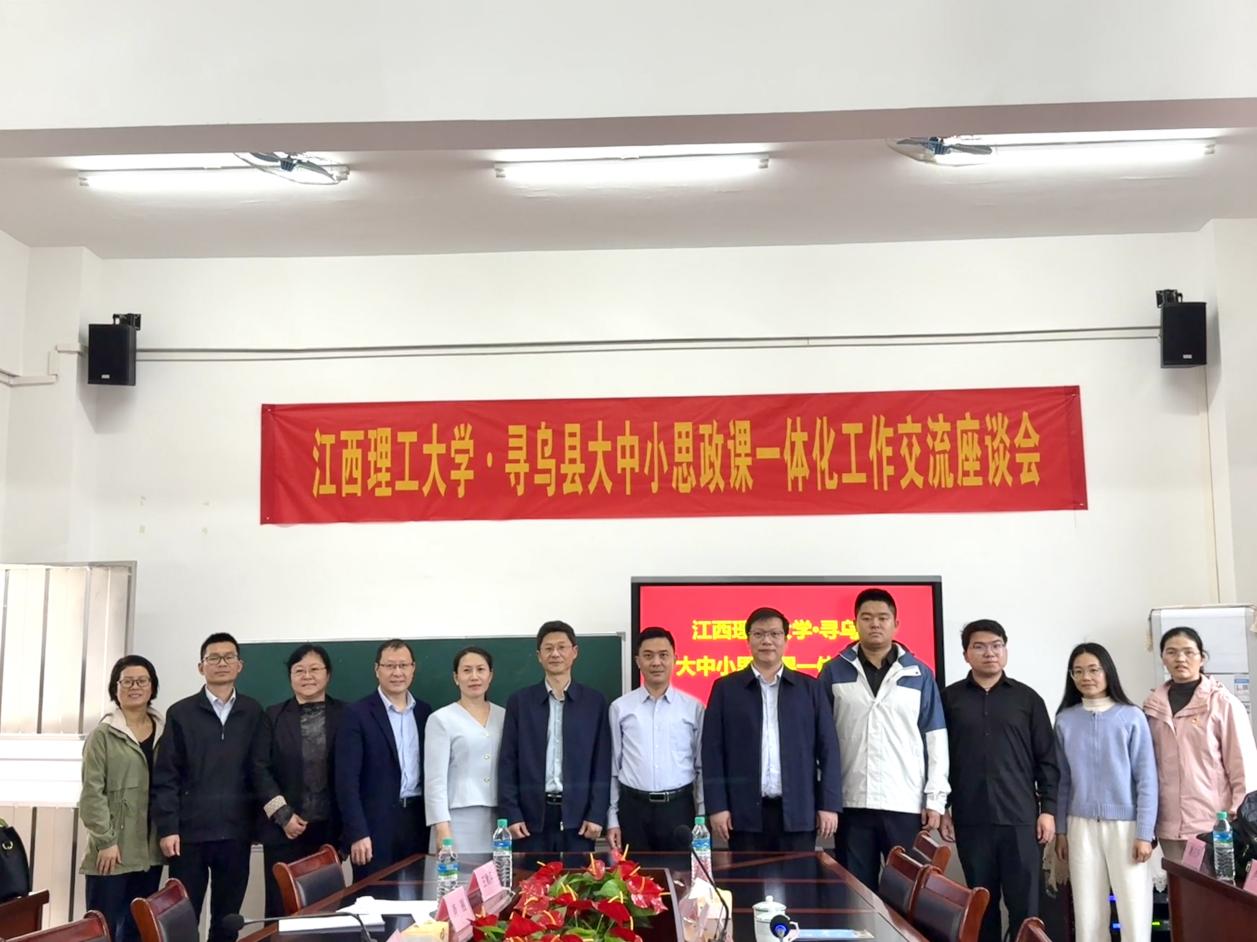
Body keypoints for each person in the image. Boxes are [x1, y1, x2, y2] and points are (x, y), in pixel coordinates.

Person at [818, 587, 949, 889]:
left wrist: (935, 799)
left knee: (906, 891)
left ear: (896, 624)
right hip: (852, 802)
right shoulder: (834, 671)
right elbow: (821, 740)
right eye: (866, 618)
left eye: (882, 617)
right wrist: (826, 796)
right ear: (855, 623)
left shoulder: (919, 674)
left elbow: (935, 739)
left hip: (904, 801)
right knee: (857, 893)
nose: (874, 624)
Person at [940, 619, 1059, 942]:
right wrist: (943, 807)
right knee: (981, 906)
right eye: (979, 646)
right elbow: (939, 758)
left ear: (1006, 650)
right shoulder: (949, 699)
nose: (989, 653)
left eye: (996, 645)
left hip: (1020, 819)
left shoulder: (1027, 699)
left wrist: (1048, 810)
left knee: (1026, 908)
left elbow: (1047, 759)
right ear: (966, 654)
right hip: (971, 818)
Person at [151, 633, 263, 942]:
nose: (221, 663)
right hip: (189, 836)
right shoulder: (180, 713)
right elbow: (166, 776)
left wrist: (256, 825)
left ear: (240, 665)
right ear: (201, 667)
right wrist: (168, 828)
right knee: (183, 920)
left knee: (227, 921)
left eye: (229, 657)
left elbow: (260, 772)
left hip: (236, 834)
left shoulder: (253, 712)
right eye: (213, 658)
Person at [703, 607, 842, 852]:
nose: (767, 641)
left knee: (799, 877)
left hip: (798, 813)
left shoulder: (810, 689)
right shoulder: (726, 689)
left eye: (775, 634)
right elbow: (712, 753)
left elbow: (829, 749)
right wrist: (717, 807)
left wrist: (829, 804)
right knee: (746, 877)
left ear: (786, 641)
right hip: (743, 815)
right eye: (759, 634)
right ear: (748, 641)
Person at [1055, 643, 1157, 942]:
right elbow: (1062, 780)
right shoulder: (1065, 720)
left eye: (1093, 669)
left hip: (1126, 827)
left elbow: (1146, 780)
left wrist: (1144, 833)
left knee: (1134, 910)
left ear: (1107, 672)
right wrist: (1061, 831)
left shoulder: (1132, 717)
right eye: (1078, 671)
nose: (1086, 677)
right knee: (1087, 913)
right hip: (1080, 826)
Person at [1142, 626, 1257, 861]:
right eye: (1172, 652)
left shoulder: (1223, 703)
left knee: (1215, 885)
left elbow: (1243, 767)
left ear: (1202, 658)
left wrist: (1238, 818)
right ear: (1163, 658)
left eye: (1188, 652)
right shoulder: (1153, 708)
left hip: (1216, 826)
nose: (1180, 658)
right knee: (1179, 884)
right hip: (1169, 826)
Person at [498, 620, 612, 853]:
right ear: (539, 656)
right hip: (530, 820)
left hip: (579, 820)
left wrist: (597, 814)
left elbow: (602, 764)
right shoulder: (520, 702)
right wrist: (512, 814)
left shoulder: (594, 702)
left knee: (577, 877)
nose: (555, 654)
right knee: (530, 876)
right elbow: (508, 762)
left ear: (574, 652)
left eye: (562, 647)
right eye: (548, 648)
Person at [251, 643, 345, 917]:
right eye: (299, 670)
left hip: (329, 831)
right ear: (290, 676)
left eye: (314, 669)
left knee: (326, 911)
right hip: (285, 830)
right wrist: (283, 816)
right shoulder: (273, 715)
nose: (307, 676)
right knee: (282, 909)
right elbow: (259, 769)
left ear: (328, 674)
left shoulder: (346, 715)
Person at [79, 655, 165, 942]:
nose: (134, 687)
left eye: (142, 681)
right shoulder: (102, 735)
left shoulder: (166, 732)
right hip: (112, 849)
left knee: (139, 929)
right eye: (127, 682)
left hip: (150, 850)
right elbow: (91, 794)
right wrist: (106, 841)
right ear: (115, 688)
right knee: (103, 930)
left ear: (152, 687)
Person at [335, 639, 432, 880]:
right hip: (374, 826)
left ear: (413, 668)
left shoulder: (425, 712)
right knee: (374, 894)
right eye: (390, 666)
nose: (397, 672)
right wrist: (357, 832)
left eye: (403, 665)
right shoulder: (356, 714)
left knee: (418, 892)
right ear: (377, 669)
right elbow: (346, 781)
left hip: (417, 822)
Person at [606, 627, 705, 853]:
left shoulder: (694, 708)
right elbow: (613, 768)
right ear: (638, 661)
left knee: (680, 874)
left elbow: (700, 768)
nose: (656, 662)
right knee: (635, 873)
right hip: (633, 810)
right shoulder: (620, 708)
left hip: (679, 809)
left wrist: (701, 815)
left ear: (675, 659)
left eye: (663, 655)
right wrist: (612, 818)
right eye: (648, 656)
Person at [423, 646, 506, 853]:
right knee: (458, 874)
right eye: (467, 670)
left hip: (500, 819)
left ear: (490, 675)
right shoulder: (441, 719)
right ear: (456, 677)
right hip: (457, 820)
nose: (474, 677)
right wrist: (442, 827)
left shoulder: (504, 716)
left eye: (481, 669)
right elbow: (435, 780)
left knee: (498, 873)